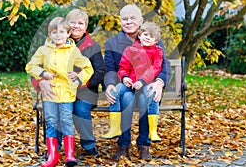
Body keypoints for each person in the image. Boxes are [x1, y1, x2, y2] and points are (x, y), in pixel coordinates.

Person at [32, 9, 106, 156]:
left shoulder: (93, 46)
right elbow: (35, 68)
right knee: (56, 109)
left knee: (80, 109)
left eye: (80, 23)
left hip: (84, 92)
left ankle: (88, 143)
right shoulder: (52, 44)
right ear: (66, 24)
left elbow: (100, 72)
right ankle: (55, 147)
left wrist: (80, 80)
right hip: (58, 88)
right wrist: (41, 82)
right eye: (72, 22)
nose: (76, 26)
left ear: (86, 27)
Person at [104, 4, 170, 160]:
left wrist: (159, 83)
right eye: (124, 19)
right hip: (126, 87)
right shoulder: (112, 43)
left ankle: (144, 144)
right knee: (126, 99)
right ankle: (123, 144)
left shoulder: (154, 39)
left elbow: (163, 66)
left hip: (147, 85)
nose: (128, 22)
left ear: (140, 20)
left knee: (146, 98)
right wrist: (111, 85)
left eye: (132, 18)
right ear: (119, 21)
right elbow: (110, 69)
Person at [26, 17, 94, 167]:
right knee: (50, 120)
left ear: (68, 33)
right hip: (49, 93)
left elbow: (88, 68)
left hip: (66, 93)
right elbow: (30, 66)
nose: (58, 35)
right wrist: (43, 73)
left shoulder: (73, 51)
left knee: (66, 120)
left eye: (62, 32)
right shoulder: (43, 50)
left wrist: (78, 79)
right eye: (54, 32)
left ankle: (69, 154)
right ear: (49, 34)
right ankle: (53, 155)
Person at [101, 21, 163, 142]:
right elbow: (123, 66)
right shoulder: (130, 49)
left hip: (146, 84)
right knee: (114, 91)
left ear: (156, 41)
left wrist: (142, 81)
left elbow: (155, 68)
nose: (148, 38)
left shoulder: (157, 52)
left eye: (152, 37)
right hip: (130, 84)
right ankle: (115, 127)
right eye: (145, 35)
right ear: (140, 35)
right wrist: (124, 77)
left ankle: (153, 131)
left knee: (153, 93)